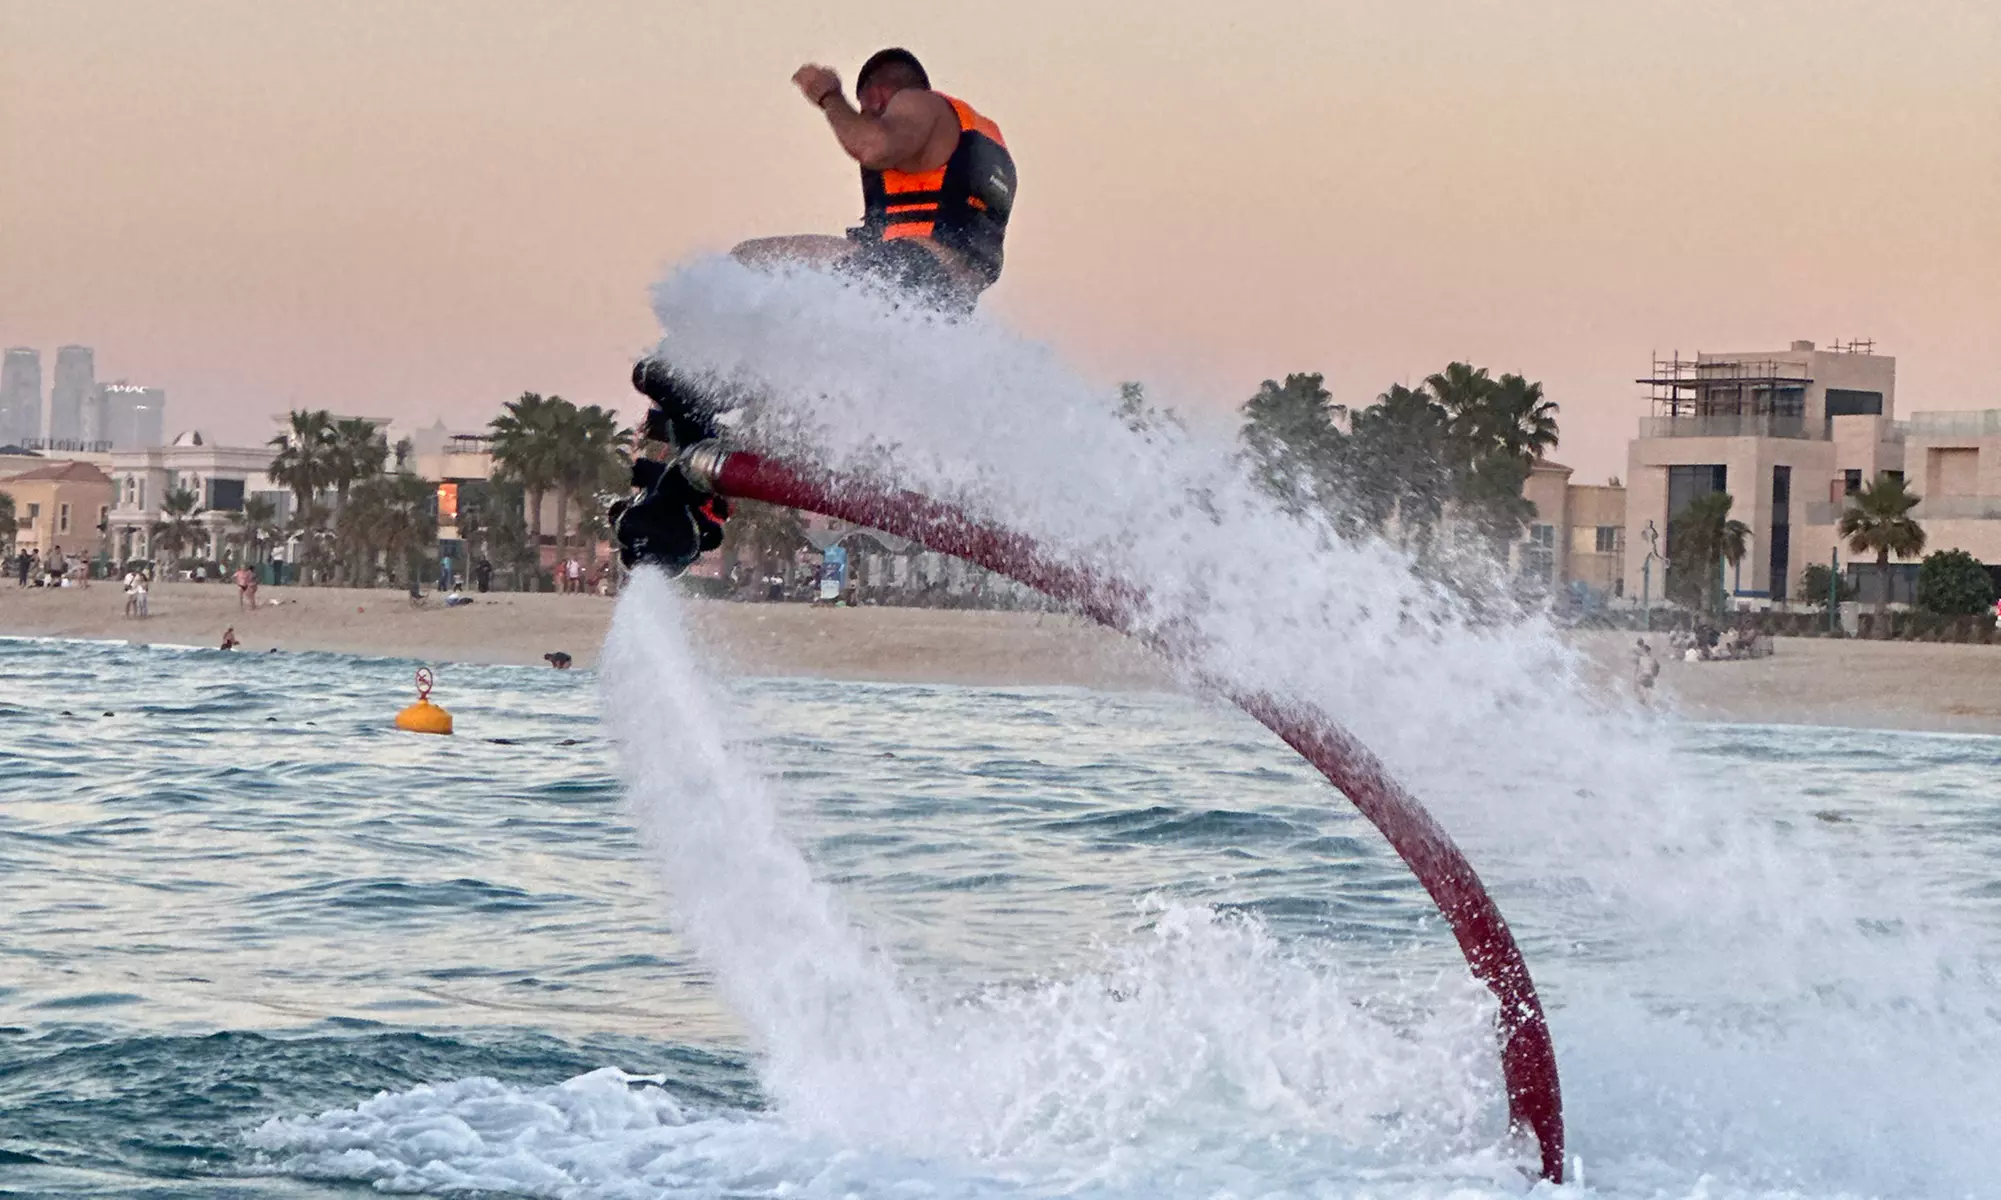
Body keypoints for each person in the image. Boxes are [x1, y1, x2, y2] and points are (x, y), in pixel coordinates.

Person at [614, 48, 1018, 576]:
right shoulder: (976, 141)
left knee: (745, 265)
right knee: (771, 346)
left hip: (908, 276)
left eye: (869, 106)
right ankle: (706, 453)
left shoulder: (917, 105)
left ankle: (701, 403)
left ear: (879, 95)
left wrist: (828, 95)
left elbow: (871, 145)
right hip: (930, 302)